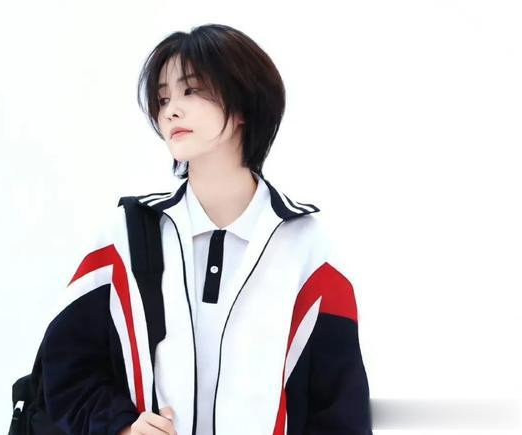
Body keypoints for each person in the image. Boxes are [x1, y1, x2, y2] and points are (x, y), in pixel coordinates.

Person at [39, 23, 372, 435]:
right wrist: (120, 427)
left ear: (243, 104)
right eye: (163, 98)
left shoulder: (308, 251)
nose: (170, 110)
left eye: (191, 91)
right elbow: (65, 370)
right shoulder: (124, 237)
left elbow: (341, 409)